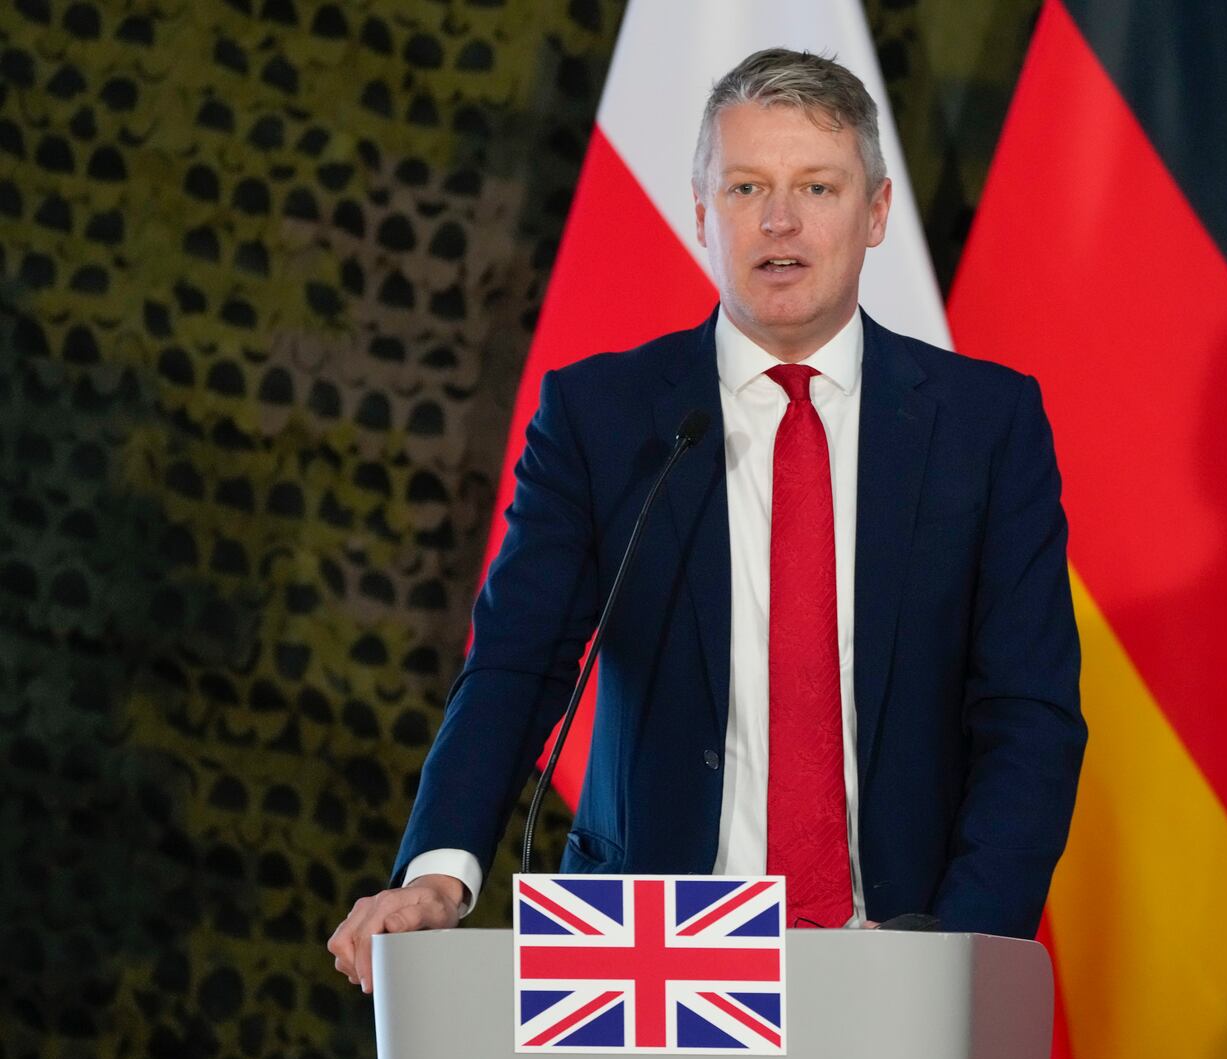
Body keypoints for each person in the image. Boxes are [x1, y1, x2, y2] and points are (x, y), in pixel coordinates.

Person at [329, 47, 1085, 994]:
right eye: (745, 188)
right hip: (649, 955)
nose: (780, 221)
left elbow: (1030, 715)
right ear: (700, 216)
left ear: (877, 211)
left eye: (817, 185)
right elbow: (517, 664)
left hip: (899, 955)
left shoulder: (986, 425)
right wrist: (440, 874)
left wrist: (960, 951)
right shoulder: (603, 417)